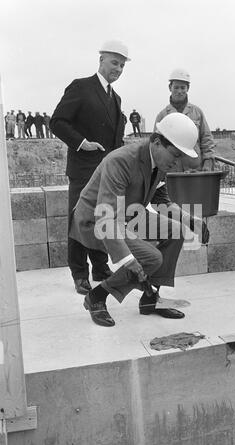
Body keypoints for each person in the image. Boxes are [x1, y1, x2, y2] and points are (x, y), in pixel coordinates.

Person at [69, 113, 210, 327]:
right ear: (156, 142)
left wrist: (192, 220)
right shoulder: (121, 161)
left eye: (181, 156)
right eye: (175, 154)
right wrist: (128, 260)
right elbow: (106, 216)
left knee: (177, 231)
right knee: (152, 258)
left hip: (127, 215)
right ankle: (97, 296)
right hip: (95, 221)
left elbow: (162, 201)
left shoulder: (161, 163)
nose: (177, 162)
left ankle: (150, 299)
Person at [50, 40, 129, 295]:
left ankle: (99, 267)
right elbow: (58, 122)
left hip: (106, 173)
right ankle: (79, 274)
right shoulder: (81, 87)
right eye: (114, 62)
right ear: (101, 61)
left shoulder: (115, 98)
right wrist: (82, 143)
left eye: (122, 65)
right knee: (79, 220)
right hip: (84, 169)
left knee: (101, 218)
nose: (117, 68)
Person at [154, 68, 216, 172]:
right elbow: (156, 146)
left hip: (195, 171)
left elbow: (206, 140)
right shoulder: (162, 116)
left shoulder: (197, 113)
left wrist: (208, 163)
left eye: (183, 88)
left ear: (188, 88)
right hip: (172, 173)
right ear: (170, 87)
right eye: (176, 87)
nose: (179, 91)